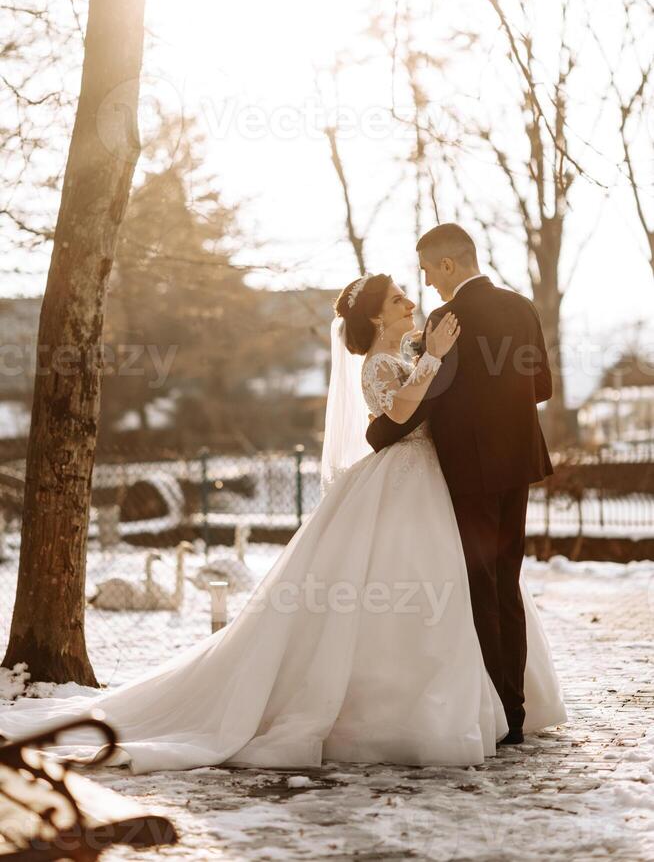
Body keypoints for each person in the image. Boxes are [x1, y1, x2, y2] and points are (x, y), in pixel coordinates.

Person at [0, 269, 565, 774]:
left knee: (451, 587)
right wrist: (436, 357)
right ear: (375, 315)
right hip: (401, 480)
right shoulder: (377, 366)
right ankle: (397, 712)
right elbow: (397, 415)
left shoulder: (411, 353)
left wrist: (435, 356)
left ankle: (473, 699)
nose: (409, 303)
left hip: (433, 480)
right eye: (397, 300)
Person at [367, 224, 555, 744]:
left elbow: (428, 398)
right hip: (517, 461)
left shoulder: (445, 319)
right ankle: (513, 711)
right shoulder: (521, 306)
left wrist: (379, 430)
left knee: (480, 588)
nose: (426, 283)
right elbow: (542, 384)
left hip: (470, 469)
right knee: (505, 582)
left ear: (449, 265)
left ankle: (496, 712)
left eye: (428, 271)